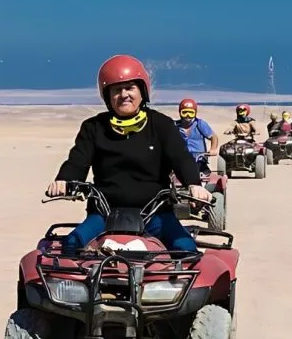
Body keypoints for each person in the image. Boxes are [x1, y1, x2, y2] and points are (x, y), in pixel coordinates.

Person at [46, 54, 213, 253]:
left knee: (186, 249)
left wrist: (194, 184)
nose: (124, 94)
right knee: (71, 246)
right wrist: (64, 180)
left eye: (130, 88)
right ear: (106, 96)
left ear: (143, 91)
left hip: (156, 215)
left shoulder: (162, 125)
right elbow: (78, 160)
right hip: (104, 215)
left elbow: (181, 158)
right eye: (116, 90)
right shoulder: (93, 127)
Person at [174, 98, 219, 175]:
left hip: (199, 158)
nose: (187, 116)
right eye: (184, 112)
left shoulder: (200, 124)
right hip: (181, 157)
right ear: (180, 112)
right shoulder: (175, 126)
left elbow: (213, 137)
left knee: (203, 174)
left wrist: (213, 149)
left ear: (195, 113)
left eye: (191, 113)